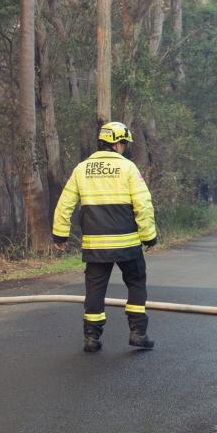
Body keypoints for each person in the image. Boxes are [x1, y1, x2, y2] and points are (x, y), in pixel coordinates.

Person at [52, 121, 158, 353]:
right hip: (127, 242)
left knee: (95, 290)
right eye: (124, 144)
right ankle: (138, 333)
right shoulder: (128, 168)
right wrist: (149, 235)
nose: (125, 148)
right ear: (118, 143)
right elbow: (143, 204)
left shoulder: (82, 169)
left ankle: (91, 338)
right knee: (136, 282)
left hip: (95, 245)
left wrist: (60, 234)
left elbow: (65, 204)